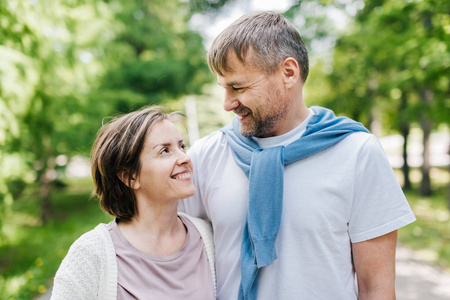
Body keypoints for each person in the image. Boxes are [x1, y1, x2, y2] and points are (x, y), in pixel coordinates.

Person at [178, 11, 416, 300]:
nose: (227, 104)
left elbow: (376, 288)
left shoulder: (357, 153)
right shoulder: (206, 155)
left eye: (238, 87)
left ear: (288, 73)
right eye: (223, 88)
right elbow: (170, 255)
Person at [51, 106, 216, 299]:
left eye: (181, 146)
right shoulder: (90, 255)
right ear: (130, 176)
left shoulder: (207, 237)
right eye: (165, 151)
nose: (185, 158)